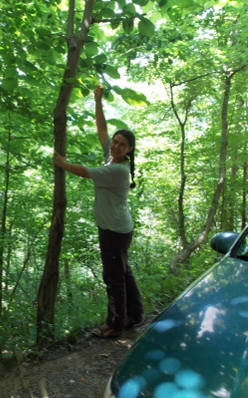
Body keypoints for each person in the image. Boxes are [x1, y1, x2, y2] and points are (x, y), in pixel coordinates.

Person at [53, 85, 144, 338]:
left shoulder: (118, 170)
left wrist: (62, 163)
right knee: (123, 272)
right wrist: (98, 101)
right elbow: (101, 129)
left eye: (122, 144)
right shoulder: (112, 159)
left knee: (113, 277)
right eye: (115, 142)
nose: (115, 145)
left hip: (114, 230)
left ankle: (115, 323)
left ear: (129, 150)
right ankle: (134, 312)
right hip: (118, 227)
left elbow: (84, 171)